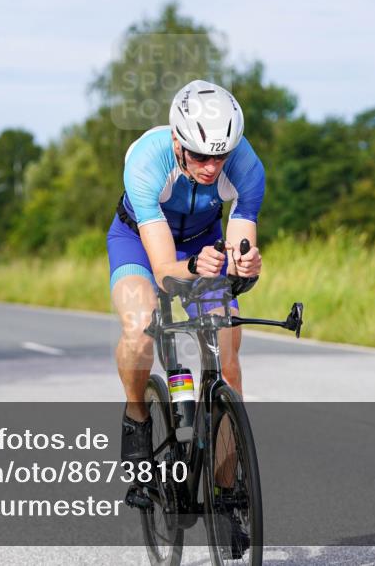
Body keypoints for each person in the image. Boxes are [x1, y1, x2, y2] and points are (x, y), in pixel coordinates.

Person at [109, 80, 265, 463]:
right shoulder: (146, 161)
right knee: (140, 327)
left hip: (203, 241)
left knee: (227, 354)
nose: (212, 168)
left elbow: (240, 244)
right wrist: (193, 266)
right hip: (140, 244)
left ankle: (228, 501)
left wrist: (246, 266)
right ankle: (137, 415)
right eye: (199, 157)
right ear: (178, 142)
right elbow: (164, 272)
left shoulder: (247, 166)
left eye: (221, 156)